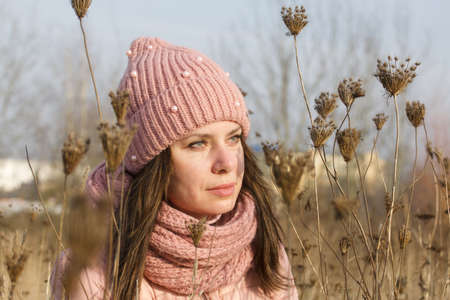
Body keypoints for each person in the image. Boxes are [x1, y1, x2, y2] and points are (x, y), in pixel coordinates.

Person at [51, 37, 298, 299]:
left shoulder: (267, 257)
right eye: (198, 144)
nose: (227, 163)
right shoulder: (93, 273)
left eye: (234, 138)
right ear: (153, 162)